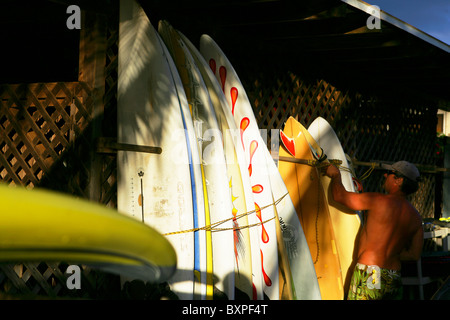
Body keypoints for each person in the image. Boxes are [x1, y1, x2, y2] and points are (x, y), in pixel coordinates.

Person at [324, 160, 424, 300]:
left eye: (389, 173)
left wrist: (335, 175)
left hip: (370, 271)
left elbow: (340, 196)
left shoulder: (377, 200)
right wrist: (391, 254)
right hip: (394, 275)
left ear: (399, 180)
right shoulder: (416, 217)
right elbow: (414, 254)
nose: (385, 175)